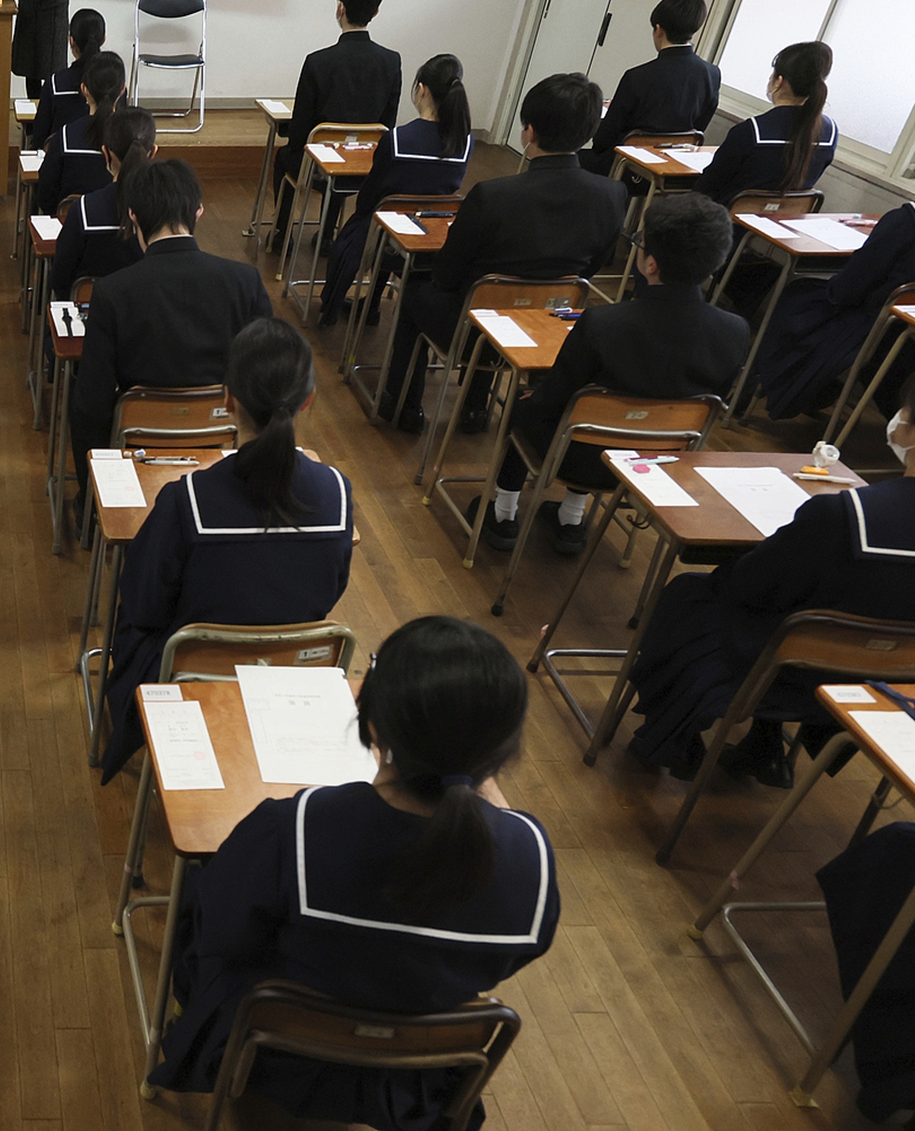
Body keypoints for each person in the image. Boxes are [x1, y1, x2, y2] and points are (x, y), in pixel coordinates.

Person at [150, 615, 559, 1126]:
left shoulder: (295, 828)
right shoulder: (533, 858)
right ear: (504, 751)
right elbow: (509, 958)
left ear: (372, 725)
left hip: (278, 1053)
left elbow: (224, 933)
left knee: (197, 882)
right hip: (418, 1070)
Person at [627, 373, 915, 783]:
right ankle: (764, 744)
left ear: (907, 426)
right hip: (885, 686)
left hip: (785, 671)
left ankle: (673, 737)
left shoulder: (842, 514)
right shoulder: (851, 512)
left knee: (690, 594)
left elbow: (751, 586)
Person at [98, 319, 354, 780]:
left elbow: (143, 603)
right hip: (290, 675)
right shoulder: (337, 493)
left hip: (188, 674)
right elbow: (329, 591)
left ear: (227, 398)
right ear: (309, 399)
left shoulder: (188, 499)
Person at [475, 193, 747, 557]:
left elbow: (554, 397)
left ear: (650, 264)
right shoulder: (735, 331)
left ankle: (502, 511)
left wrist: (534, 399)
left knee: (530, 403)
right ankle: (571, 519)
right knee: (610, 406)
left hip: (578, 456)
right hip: (658, 465)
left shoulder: (604, 323)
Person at [379, 72, 627, 433]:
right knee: (499, 294)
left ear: (529, 132)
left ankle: (401, 406)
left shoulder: (493, 195)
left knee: (421, 291)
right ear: (588, 132)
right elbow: (593, 266)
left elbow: (447, 275)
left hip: (473, 328)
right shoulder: (612, 195)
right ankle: (475, 408)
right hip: (548, 327)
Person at [68, 158, 272, 466]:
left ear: (133, 215)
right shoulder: (246, 281)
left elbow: (92, 399)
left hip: (136, 436)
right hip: (218, 434)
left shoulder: (113, 291)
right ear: (198, 211)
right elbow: (266, 375)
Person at [317, 53, 474, 329]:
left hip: (385, 230)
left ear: (422, 90)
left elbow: (371, 194)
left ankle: (335, 306)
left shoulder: (397, 139)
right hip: (433, 232)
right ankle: (373, 302)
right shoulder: (465, 142)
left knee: (366, 224)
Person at [270, 0, 401, 246]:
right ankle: (327, 236)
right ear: (376, 12)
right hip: (364, 167)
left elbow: (301, 130)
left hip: (317, 166)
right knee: (347, 148)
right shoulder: (391, 61)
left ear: (339, 7)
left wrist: (292, 136)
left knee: (287, 156)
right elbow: (387, 125)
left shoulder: (318, 62)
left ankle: (282, 234)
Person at [753, 199, 915, 422]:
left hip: (862, 325)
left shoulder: (903, 223)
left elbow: (847, 290)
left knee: (796, 295)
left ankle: (759, 384)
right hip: (900, 331)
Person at [580, 0, 722, 176]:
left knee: (569, 159)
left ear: (659, 29)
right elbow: (699, 127)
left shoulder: (637, 76)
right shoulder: (712, 74)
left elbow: (603, 140)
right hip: (672, 167)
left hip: (624, 166)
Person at [695, 40, 837, 209]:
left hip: (727, 227)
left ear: (779, 81)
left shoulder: (751, 131)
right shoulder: (830, 133)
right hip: (781, 228)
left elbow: (706, 188)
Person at [48, 105, 154, 301]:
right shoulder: (166, 212)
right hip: (149, 321)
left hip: (88, 318)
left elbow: (60, 279)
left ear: (105, 153)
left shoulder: (85, 210)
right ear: (153, 152)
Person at [34, 50, 124, 216]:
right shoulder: (130, 139)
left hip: (68, 227)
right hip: (119, 236)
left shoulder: (66, 136)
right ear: (122, 90)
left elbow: (44, 197)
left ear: (84, 89)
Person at [27, 8, 105, 149]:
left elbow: (39, 137)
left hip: (62, 163)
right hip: (106, 166)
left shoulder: (56, 83)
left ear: (71, 41)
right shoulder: (113, 83)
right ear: (103, 39)